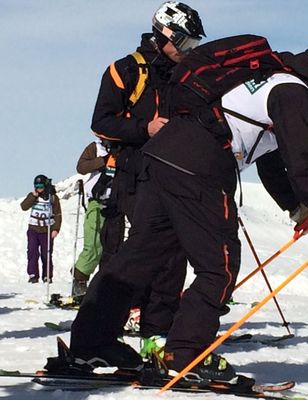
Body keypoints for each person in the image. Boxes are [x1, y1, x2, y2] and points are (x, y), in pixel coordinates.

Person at [69, 39, 308, 381]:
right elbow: (303, 166)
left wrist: (298, 209)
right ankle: (185, 354)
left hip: (163, 157)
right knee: (219, 267)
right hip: (201, 167)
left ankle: (89, 344)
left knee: (139, 257)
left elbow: (272, 166)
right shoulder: (293, 91)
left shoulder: (266, 80)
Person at [88, 1, 205, 356]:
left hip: (176, 176)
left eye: (193, 45)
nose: (188, 51)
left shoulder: (189, 77)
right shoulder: (124, 70)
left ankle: (157, 334)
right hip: (133, 173)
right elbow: (101, 122)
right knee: (138, 254)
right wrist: (145, 128)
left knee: (174, 255)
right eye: (184, 43)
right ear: (163, 34)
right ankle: (103, 331)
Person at [72, 138, 118, 298]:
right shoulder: (95, 147)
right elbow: (81, 167)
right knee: (93, 245)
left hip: (116, 205)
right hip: (97, 202)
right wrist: (103, 161)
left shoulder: (127, 148)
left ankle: (104, 287)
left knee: (112, 248)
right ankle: (79, 280)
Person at [20, 175, 62, 283]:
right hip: (33, 229)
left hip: (47, 230)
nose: (38, 188)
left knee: (46, 253)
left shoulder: (53, 198)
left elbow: (57, 214)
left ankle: (47, 275)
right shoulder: (33, 196)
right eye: (36, 186)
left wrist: (56, 229)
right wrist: (33, 197)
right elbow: (24, 206)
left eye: (41, 186)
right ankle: (33, 274)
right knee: (32, 252)